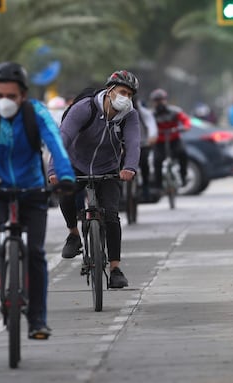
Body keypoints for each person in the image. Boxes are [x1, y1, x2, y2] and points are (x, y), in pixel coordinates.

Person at [0, 62, 75, 340]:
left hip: (32, 190)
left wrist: (65, 176)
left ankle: (38, 319)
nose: (4, 101)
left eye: (11, 96)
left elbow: (55, 144)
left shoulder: (37, 114)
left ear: (23, 95)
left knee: (36, 254)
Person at [49, 70, 141, 289]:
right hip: (75, 162)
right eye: (122, 92)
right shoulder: (85, 108)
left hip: (108, 168)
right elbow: (64, 137)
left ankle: (115, 268)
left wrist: (129, 167)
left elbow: (134, 143)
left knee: (111, 215)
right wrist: (54, 168)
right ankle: (73, 234)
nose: (125, 98)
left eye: (130, 94)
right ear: (109, 91)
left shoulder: (130, 116)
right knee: (66, 192)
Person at [149, 88, 191, 191]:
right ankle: (158, 185)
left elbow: (185, 120)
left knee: (183, 153)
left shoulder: (175, 111)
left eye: (161, 100)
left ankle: (183, 176)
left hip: (174, 140)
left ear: (165, 100)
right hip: (159, 142)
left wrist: (185, 127)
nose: (159, 103)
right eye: (156, 100)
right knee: (157, 161)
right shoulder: (151, 114)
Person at [134, 97, 158, 201]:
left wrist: (152, 137)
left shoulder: (143, 112)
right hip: (124, 145)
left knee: (144, 165)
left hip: (142, 144)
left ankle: (145, 188)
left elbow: (151, 124)